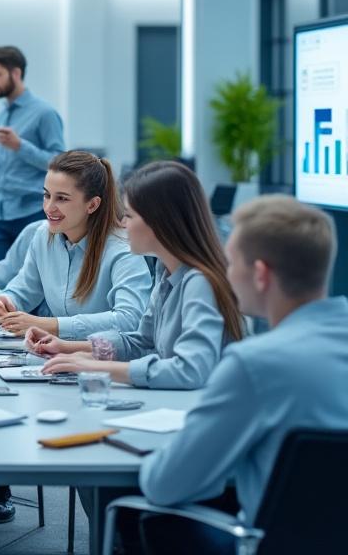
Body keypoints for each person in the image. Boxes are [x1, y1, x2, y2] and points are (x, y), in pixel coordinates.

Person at [118, 196, 348, 554]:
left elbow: (165, 485)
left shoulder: (255, 365)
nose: (225, 273)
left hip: (270, 544)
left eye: (231, 261)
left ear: (260, 274)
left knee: (150, 518)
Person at [30, 161, 243, 389]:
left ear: (160, 222)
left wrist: (94, 367)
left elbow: (190, 370)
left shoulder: (198, 282)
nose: (122, 223)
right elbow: (142, 342)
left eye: (130, 215)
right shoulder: (166, 273)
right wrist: (66, 347)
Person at [0, 151, 151, 339]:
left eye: (62, 198)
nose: (48, 207)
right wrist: (4, 303)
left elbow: (130, 319)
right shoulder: (43, 236)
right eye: (47, 195)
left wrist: (51, 325)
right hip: (59, 356)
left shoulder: (123, 250)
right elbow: (23, 290)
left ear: (93, 205)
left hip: (103, 361)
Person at [0, 46, 64, 268]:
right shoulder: (0, 117)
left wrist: (20, 146)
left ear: (15, 74)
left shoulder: (44, 114)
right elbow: (2, 170)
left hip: (30, 213)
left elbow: (60, 164)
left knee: (32, 289)